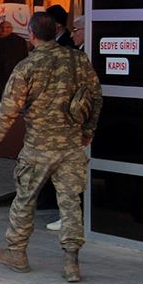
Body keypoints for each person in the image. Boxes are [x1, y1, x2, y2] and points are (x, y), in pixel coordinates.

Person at [0, 13, 102, 282]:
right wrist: (88, 131)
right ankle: (71, 263)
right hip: (71, 146)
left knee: (24, 200)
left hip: (38, 147)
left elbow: (8, 110)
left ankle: (17, 253)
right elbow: (95, 96)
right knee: (70, 203)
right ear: (55, 32)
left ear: (31, 35)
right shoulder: (78, 59)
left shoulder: (27, 66)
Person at [47, 14, 88, 231]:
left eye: (77, 30)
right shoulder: (78, 53)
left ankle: (72, 217)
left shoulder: (85, 55)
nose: (72, 35)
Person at [0, 21, 29, 107]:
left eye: (7, 27)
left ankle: (11, 104)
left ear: (11, 29)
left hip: (11, 68)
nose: (4, 29)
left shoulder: (18, 40)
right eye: (2, 27)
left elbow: (23, 56)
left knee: (11, 87)